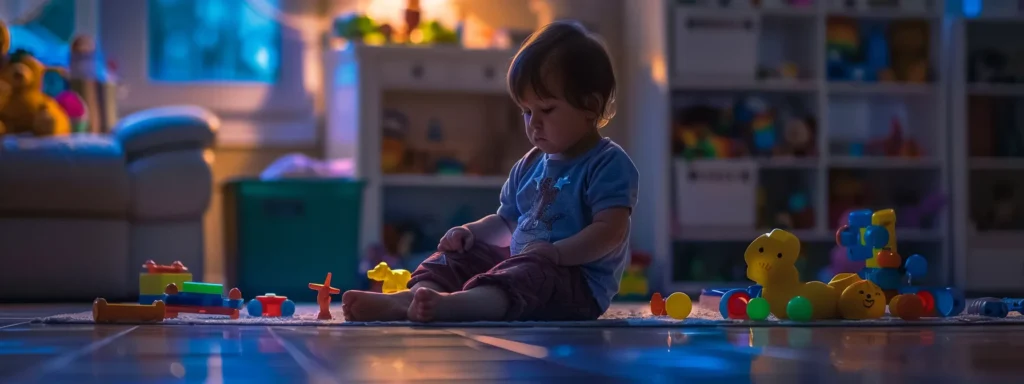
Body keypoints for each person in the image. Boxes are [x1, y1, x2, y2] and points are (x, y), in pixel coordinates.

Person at [342, 20, 639, 322]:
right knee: (465, 254)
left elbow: (610, 232)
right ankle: (413, 297)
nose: (533, 123)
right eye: (527, 111)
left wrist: (558, 254)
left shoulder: (607, 163)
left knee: (529, 272)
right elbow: (505, 221)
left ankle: (458, 305)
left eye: (546, 110)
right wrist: (469, 233)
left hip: (576, 285)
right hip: (522, 265)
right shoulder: (531, 163)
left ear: (590, 107)